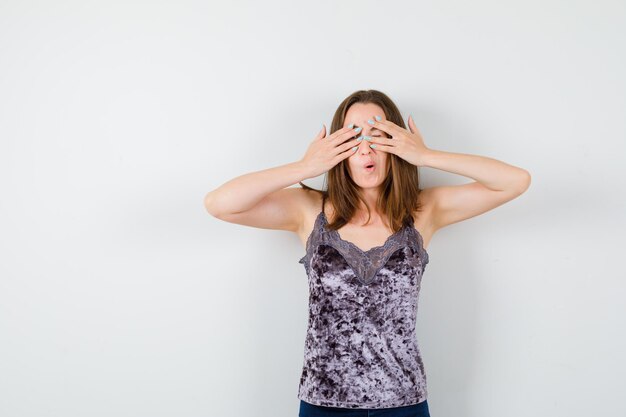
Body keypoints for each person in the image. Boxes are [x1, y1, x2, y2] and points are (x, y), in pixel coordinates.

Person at [204, 89, 531, 416]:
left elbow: (515, 181)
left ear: (396, 144)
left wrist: (426, 156)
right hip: (323, 404)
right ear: (336, 150)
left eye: (378, 136)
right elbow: (219, 204)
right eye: (351, 138)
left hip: (404, 403)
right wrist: (305, 167)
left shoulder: (423, 210)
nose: (364, 149)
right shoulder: (308, 210)